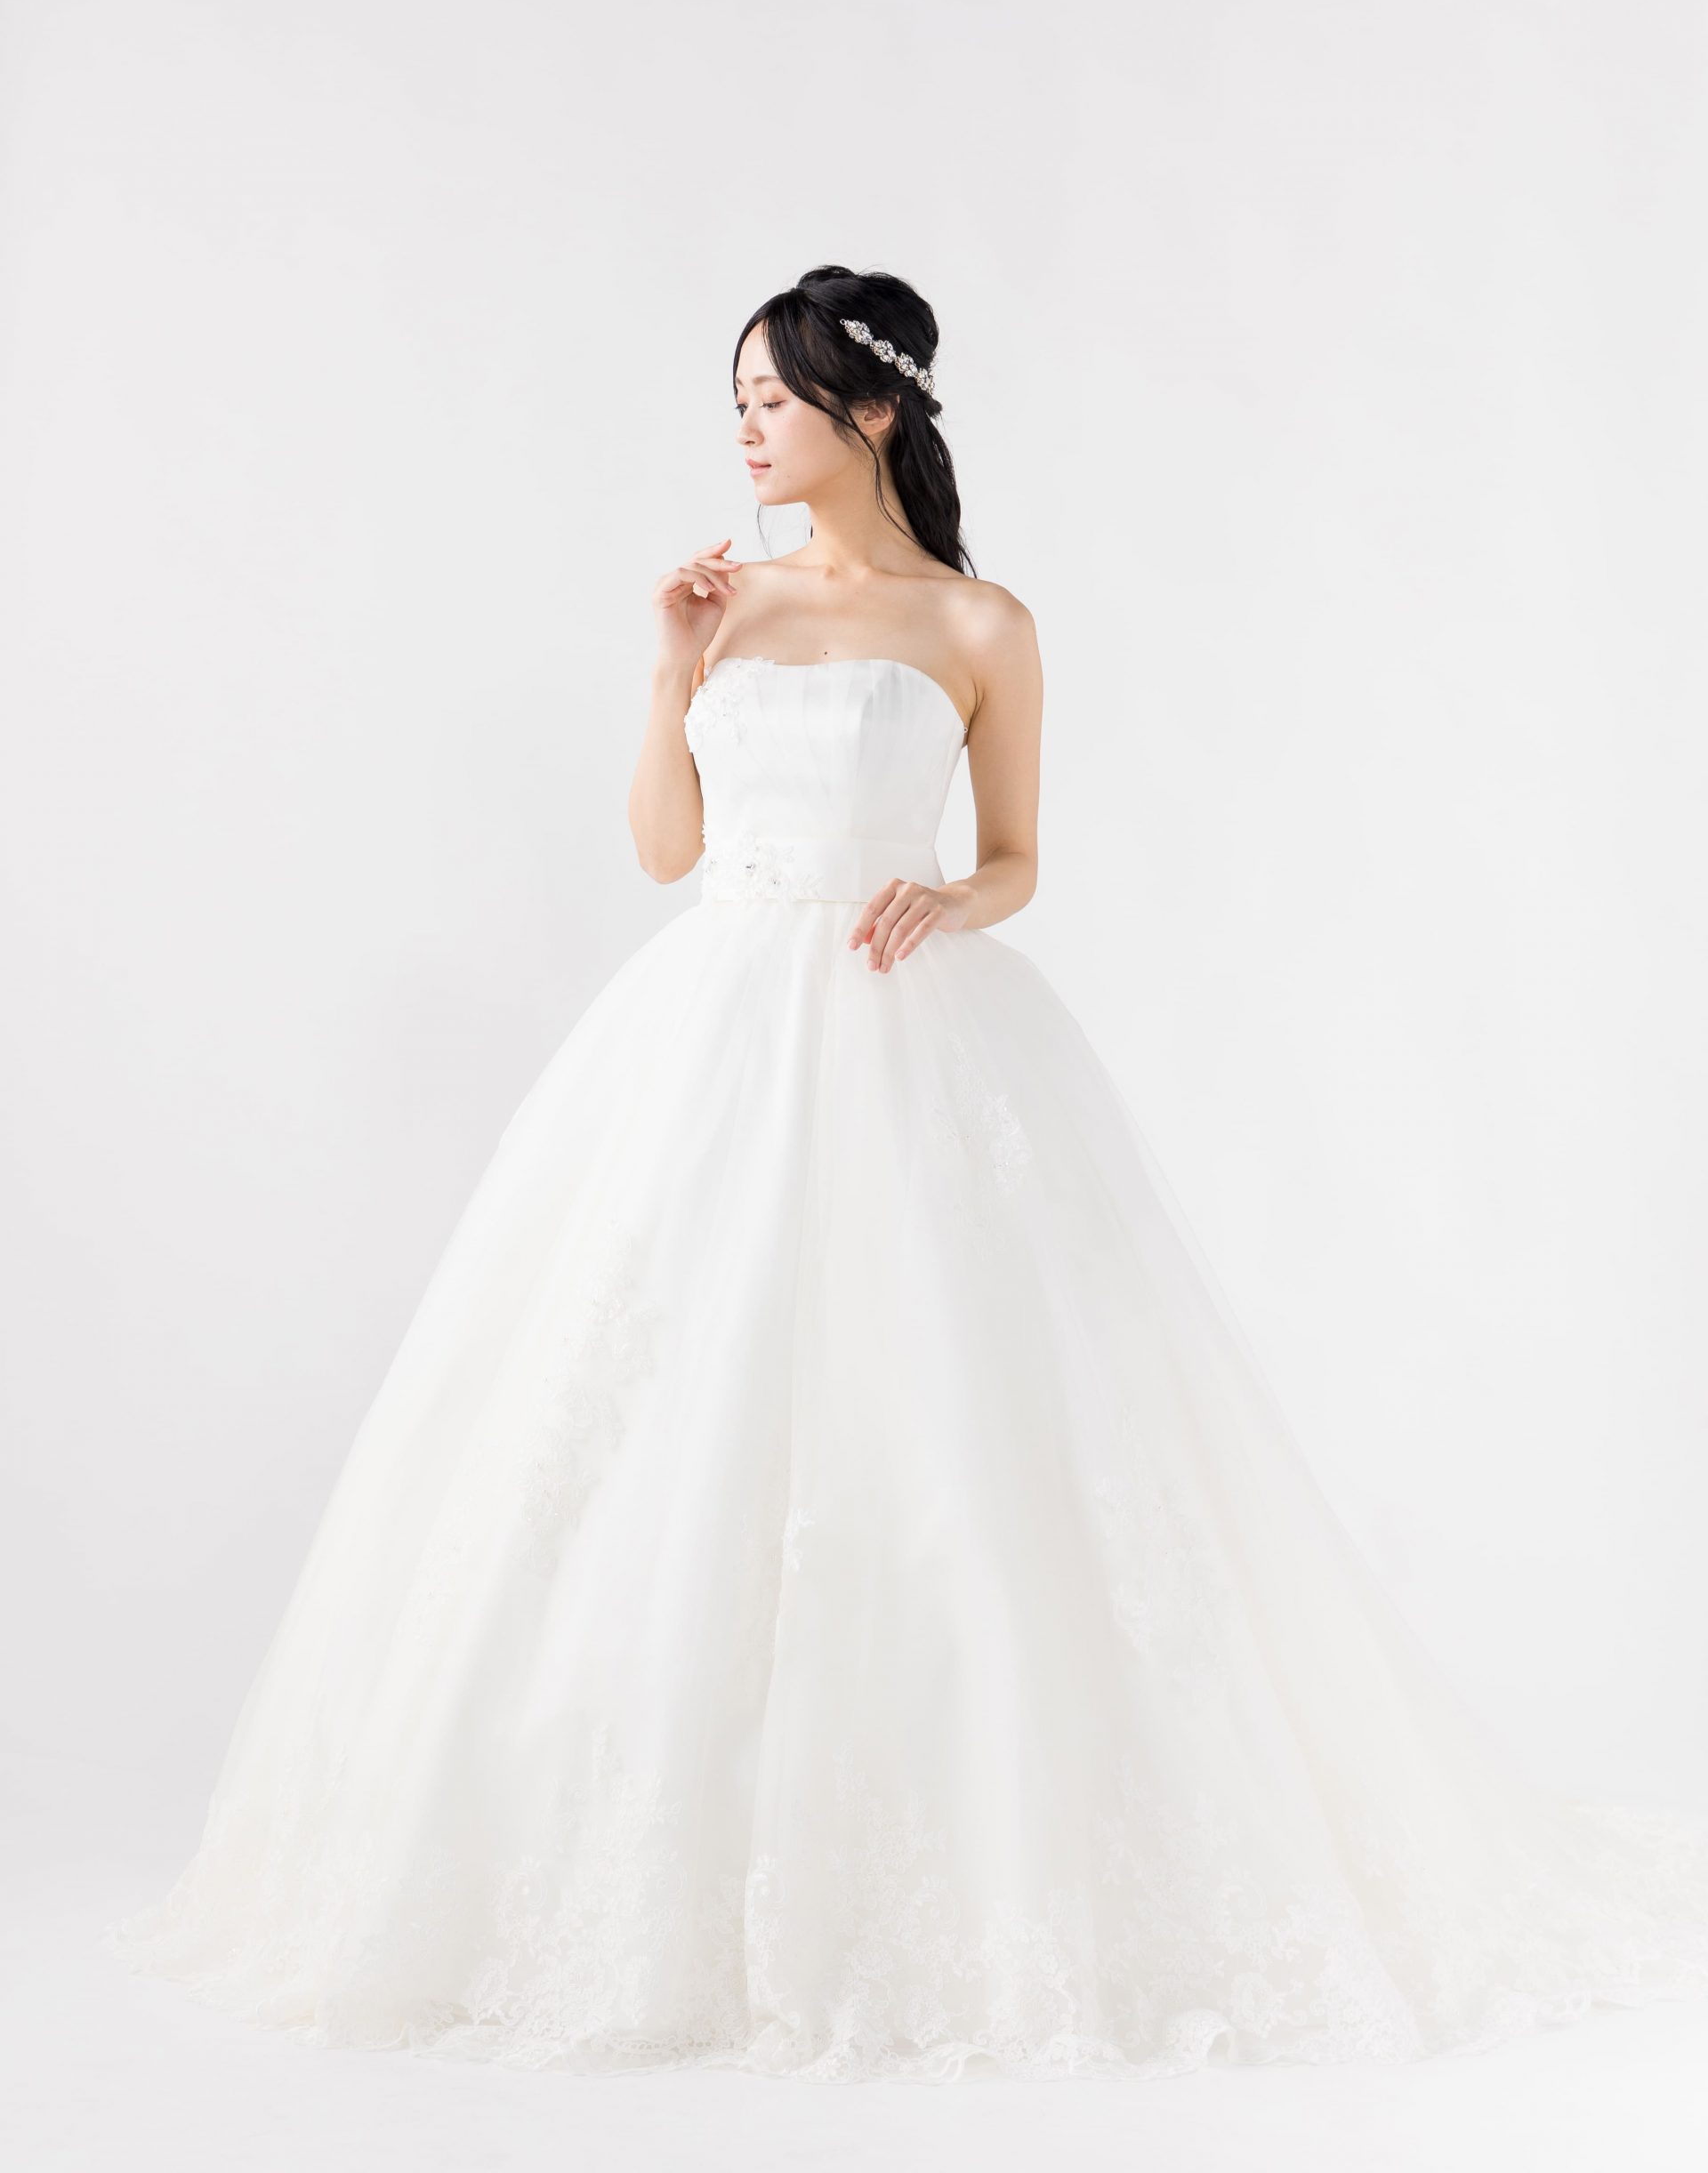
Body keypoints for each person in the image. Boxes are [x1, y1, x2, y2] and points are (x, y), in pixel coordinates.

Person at [106, 263, 1708, 2081]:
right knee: (653, 1413)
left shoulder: (980, 624)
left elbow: (1018, 852)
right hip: (708, 1038)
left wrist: (949, 897)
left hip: (907, 1029)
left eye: (771, 400)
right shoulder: (723, 603)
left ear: (869, 410)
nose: (744, 430)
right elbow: (662, 852)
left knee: (950, 1419)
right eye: (735, 403)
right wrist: (667, 661)